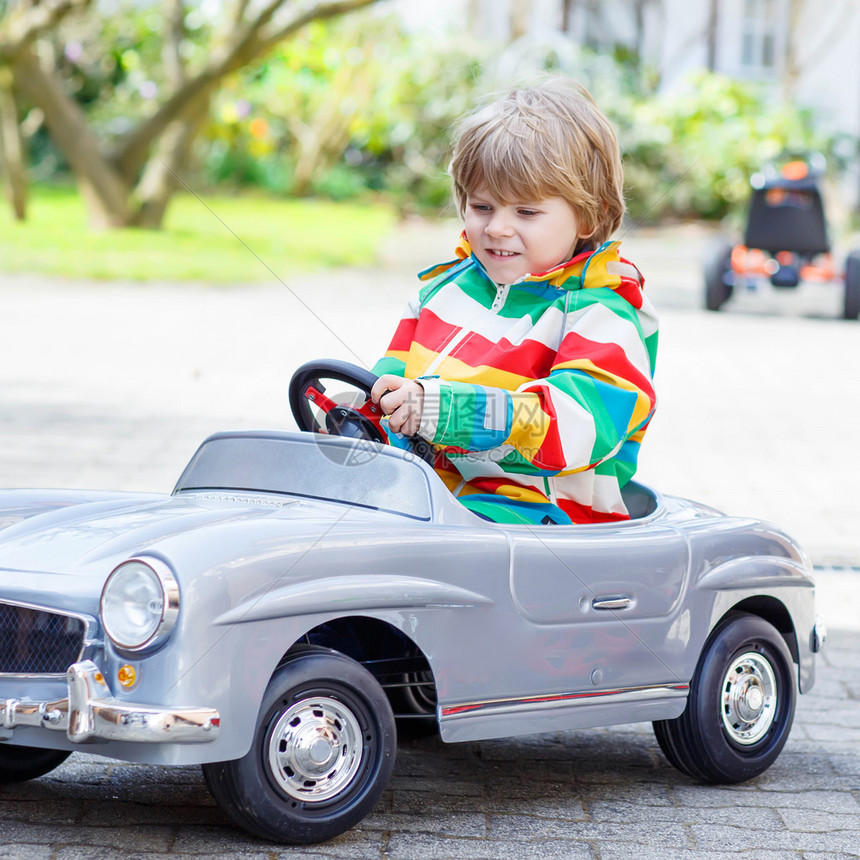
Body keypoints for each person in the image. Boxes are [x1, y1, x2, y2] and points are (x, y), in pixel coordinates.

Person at [370, 78, 658, 526]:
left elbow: (567, 427)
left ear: (591, 215)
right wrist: (363, 405)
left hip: (541, 519)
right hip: (430, 499)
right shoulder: (442, 293)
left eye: (525, 212)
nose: (497, 228)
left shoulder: (602, 316)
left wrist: (444, 409)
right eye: (482, 207)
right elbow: (391, 376)